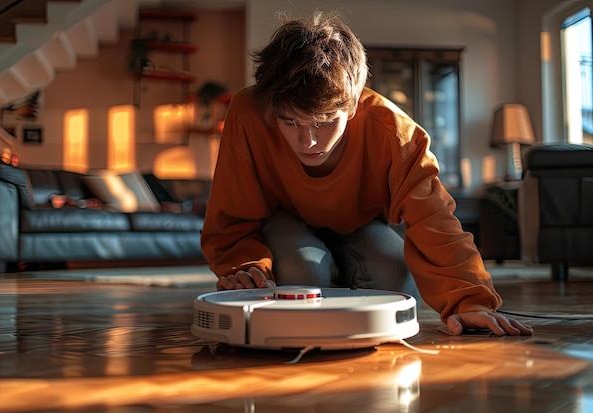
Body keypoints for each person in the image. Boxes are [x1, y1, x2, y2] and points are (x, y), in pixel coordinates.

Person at [200, 11, 532, 337]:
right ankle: (326, 275)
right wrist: (247, 269)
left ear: (354, 105)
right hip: (281, 219)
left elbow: (436, 221)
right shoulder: (249, 112)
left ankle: (339, 276)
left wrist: (469, 301)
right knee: (304, 274)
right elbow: (232, 216)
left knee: (396, 284)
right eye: (290, 121)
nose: (308, 141)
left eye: (324, 121)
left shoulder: (397, 134)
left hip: (362, 223)